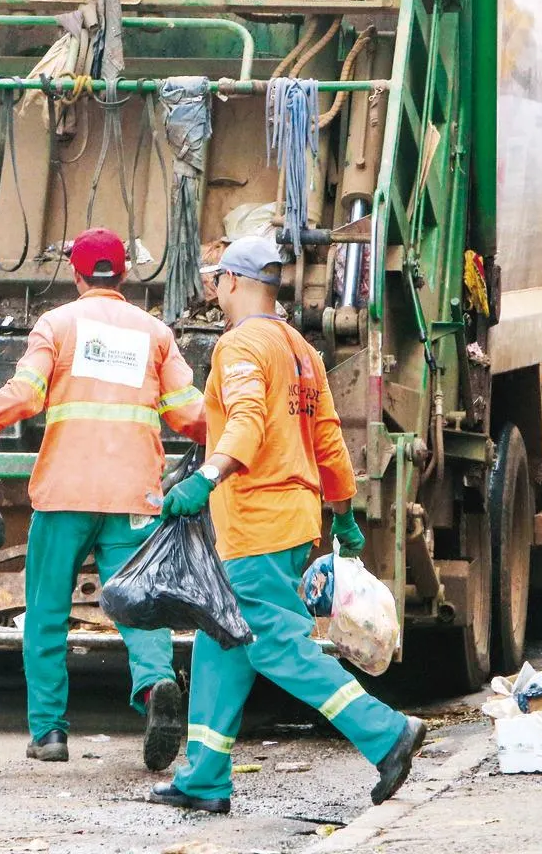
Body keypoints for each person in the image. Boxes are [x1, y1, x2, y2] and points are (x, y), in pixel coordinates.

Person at [144, 236, 425, 816]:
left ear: (236, 282)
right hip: (290, 520)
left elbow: (244, 421)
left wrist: (207, 476)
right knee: (221, 641)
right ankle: (203, 779)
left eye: (217, 278)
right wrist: (343, 511)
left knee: (279, 647)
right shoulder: (299, 348)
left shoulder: (241, 346)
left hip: (256, 524)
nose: (214, 288)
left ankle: (386, 731)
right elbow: (326, 438)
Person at [0, 227, 206, 771]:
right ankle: (157, 688)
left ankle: (50, 733)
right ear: (124, 274)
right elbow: (187, 413)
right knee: (140, 603)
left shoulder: (57, 325)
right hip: (136, 493)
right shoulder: (155, 332)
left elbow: (27, 394)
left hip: (66, 492)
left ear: (77, 274)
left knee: (47, 613)